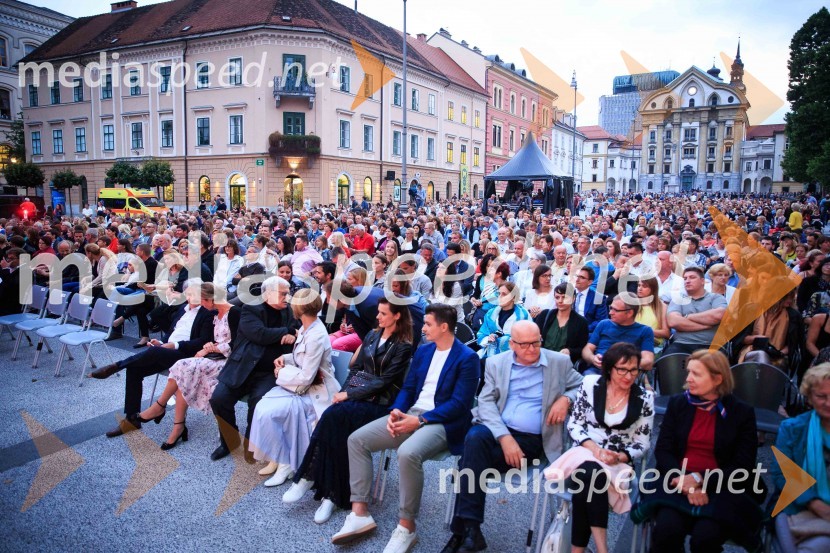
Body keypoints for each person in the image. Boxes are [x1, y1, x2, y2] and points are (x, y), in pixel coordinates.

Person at [331, 304, 479, 553]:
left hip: (442, 422)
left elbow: (460, 404)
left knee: (408, 453)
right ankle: (360, 514)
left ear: (444, 327)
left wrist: (420, 421)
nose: (423, 327)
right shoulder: (424, 351)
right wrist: (396, 411)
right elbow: (409, 388)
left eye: (428, 324)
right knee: (357, 440)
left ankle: (406, 527)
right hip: (410, 415)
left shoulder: (467, 357)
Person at [441, 320, 583, 553]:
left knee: (470, 460)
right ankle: (470, 532)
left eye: (536, 343)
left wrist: (565, 398)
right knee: (475, 438)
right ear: (513, 344)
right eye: (525, 344)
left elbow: (583, 386)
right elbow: (485, 401)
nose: (533, 349)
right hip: (498, 431)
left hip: (532, 440)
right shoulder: (497, 363)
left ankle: (462, 532)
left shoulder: (559, 362)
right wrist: (505, 438)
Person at [283, 298, 413, 524]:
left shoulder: (403, 346)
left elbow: (384, 381)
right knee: (337, 422)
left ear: (398, 316)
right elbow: (356, 369)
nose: (378, 317)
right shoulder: (373, 335)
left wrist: (348, 395)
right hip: (358, 395)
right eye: (378, 312)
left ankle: (309, 476)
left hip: (380, 403)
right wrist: (342, 393)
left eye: (383, 313)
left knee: (334, 417)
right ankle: (331, 495)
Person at [647, 350, 765, 553]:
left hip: (723, 486)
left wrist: (700, 480)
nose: (688, 379)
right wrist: (684, 481)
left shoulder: (740, 413)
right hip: (677, 481)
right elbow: (664, 450)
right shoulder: (678, 404)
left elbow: (742, 465)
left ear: (718, 378)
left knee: (705, 538)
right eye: (689, 372)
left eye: (696, 374)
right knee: (667, 530)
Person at [545, 342, 654, 553]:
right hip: (585, 450)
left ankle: (579, 550)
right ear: (609, 368)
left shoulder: (644, 398)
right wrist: (595, 450)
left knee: (588, 478)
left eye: (633, 370)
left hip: (617, 462)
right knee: (590, 472)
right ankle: (602, 549)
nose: (629, 376)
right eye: (622, 369)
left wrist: (620, 456)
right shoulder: (590, 384)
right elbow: (574, 424)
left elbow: (642, 443)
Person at [92, 279, 215, 438]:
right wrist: (162, 342)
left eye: (195, 294)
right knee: (134, 369)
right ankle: (131, 419)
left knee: (154, 352)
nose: (191, 297)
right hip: (167, 351)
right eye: (189, 294)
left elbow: (202, 341)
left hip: (186, 356)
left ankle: (116, 366)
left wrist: (174, 345)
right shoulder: (182, 310)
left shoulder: (207, 313)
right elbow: (172, 331)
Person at [248, 288, 340, 486]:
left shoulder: (315, 334)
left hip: (316, 392)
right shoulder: (308, 327)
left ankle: (285, 462)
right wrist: (285, 358)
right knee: (262, 407)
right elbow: (301, 357)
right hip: (299, 385)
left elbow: (308, 376)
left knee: (271, 412)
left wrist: (281, 372)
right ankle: (276, 457)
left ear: (298, 309)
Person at [135, 282, 239, 449]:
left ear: (210, 299)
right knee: (183, 369)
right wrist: (208, 347)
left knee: (184, 368)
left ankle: (161, 408)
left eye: (203, 302)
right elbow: (212, 338)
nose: (202, 306)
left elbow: (238, 344)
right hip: (213, 356)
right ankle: (173, 421)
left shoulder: (233, 313)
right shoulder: (214, 314)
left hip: (228, 360)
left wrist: (210, 349)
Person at [208, 276, 298, 461]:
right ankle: (229, 441)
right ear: (268, 294)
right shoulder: (251, 308)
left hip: (270, 370)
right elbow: (258, 334)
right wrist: (285, 332)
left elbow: (296, 330)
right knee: (219, 399)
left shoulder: (289, 311)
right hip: (242, 366)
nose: (287, 297)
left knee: (258, 402)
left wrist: (292, 334)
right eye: (283, 293)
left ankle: (252, 443)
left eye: (287, 293)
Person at [772, 363, 830, 553]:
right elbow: (783, 473)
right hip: (800, 507)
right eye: (821, 396)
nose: (828, 403)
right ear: (809, 397)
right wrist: (814, 503)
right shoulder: (793, 428)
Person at [582, 295, 655, 375]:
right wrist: (592, 358)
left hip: (625, 374)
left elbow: (648, 361)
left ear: (629, 313)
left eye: (615, 310)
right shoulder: (603, 324)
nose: (610, 313)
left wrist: (620, 364)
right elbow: (587, 349)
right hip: (597, 371)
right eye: (611, 308)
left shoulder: (645, 331)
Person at [664, 266, 728, 356]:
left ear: (702, 281)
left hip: (712, 345)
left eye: (692, 277)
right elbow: (674, 322)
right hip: (682, 344)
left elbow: (719, 315)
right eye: (685, 278)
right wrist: (707, 325)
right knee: (666, 363)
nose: (687, 281)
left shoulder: (716, 298)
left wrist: (687, 317)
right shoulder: (678, 299)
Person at [534, 283, 590, 365]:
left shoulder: (581, 322)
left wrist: (569, 351)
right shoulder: (545, 315)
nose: (560, 301)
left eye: (564, 297)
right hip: (541, 361)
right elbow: (533, 338)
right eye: (557, 297)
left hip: (563, 365)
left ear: (573, 298)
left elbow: (582, 349)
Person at [475, 282, 530, 358]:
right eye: (499, 294)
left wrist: (503, 340)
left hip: (514, 357)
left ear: (513, 297)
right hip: (490, 354)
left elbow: (528, 339)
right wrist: (488, 338)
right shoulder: (490, 313)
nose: (500, 297)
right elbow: (481, 334)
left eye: (504, 294)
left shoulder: (523, 315)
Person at [635, 277, 670, 352]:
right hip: (632, 342)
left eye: (644, 286)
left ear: (653, 289)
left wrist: (644, 331)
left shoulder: (662, 307)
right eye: (639, 285)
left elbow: (666, 333)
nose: (640, 289)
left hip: (653, 344)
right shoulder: (632, 304)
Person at [571, 266, 609, 332]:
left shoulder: (598, 298)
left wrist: (583, 329)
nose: (577, 280)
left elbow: (601, 321)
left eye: (582, 277)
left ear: (590, 282)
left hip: (587, 332)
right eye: (577, 276)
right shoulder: (569, 294)